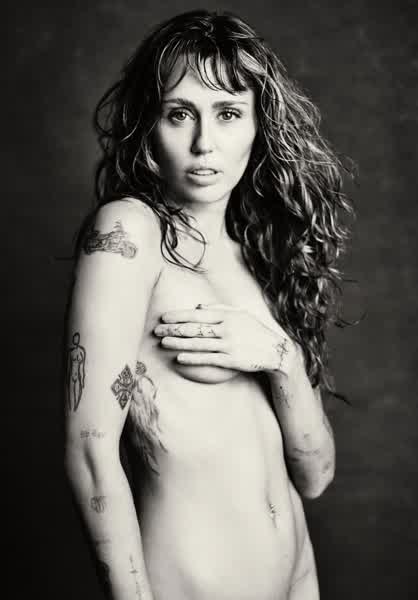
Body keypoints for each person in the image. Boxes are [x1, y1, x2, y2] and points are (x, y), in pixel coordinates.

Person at [63, 9, 354, 600]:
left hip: (298, 582)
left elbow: (315, 475)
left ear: (258, 125)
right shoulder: (130, 234)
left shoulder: (259, 253)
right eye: (179, 114)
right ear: (150, 125)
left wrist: (281, 356)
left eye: (227, 113)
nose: (204, 143)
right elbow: (90, 450)